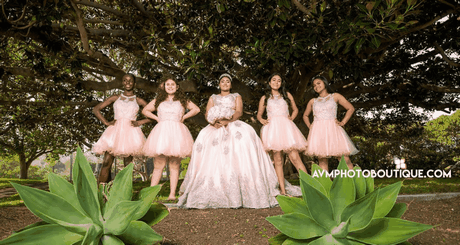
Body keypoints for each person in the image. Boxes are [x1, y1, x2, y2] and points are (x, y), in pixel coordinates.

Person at [178, 73, 301, 209]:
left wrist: (227, 120)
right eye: (222, 81)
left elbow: (239, 112)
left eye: (228, 82)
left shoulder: (236, 96)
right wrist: (214, 122)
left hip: (233, 124)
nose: (225, 84)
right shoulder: (213, 98)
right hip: (215, 126)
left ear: (231, 84)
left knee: (241, 149)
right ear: (219, 84)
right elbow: (208, 113)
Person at [142, 75, 200, 200]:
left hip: (177, 133)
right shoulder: (158, 100)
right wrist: (157, 118)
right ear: (164, 86)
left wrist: (184, 117)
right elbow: (145, 110)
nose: (170, 86)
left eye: (172, 84)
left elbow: (196, 109)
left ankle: (172, 194)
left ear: (177, 87)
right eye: (167, 84)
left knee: (174, 165)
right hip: (162, 133)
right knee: (159, 164)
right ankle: (150, 195)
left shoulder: (182, 100)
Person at [92, 73, 150, 184]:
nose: (127, 83)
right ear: (122, 83)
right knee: (106, 162)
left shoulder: (139, 100)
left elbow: (154, 115)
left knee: (127, 167)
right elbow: (96, 109)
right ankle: (100, 194)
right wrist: (106, 122)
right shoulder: (115, 97)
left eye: (130, 81)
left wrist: (140, 122)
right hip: (114, 132)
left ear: (135, 83)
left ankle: (124, 194)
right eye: (125, 80)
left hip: (130, 133)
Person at [257, 73, 308, 195]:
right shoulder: (265, 98)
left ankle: (309, 186)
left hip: (286, 127)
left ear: (281, 83)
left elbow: (295, 109)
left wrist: (291, 118)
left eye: (279, 80)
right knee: (278, 160)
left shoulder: (287, 95)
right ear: (269, 83)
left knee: (295, 157)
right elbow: (259, 114)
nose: (276, 82)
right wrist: (262, 120)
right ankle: (283, 190)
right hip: (273, 128)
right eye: (273, 80)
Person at [303, 76, 358, 171]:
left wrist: (343, 122)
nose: (316, 86)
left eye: (318, 83)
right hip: (318, 131)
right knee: (322, 160)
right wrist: (310, 126)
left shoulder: (335, 96)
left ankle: (353, 182)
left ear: (325, 83)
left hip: (333, 129)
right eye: (314, 85)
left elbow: (350, 108)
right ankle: (326, 185)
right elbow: (305, 115)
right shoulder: (313, 101)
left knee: (343, 158)